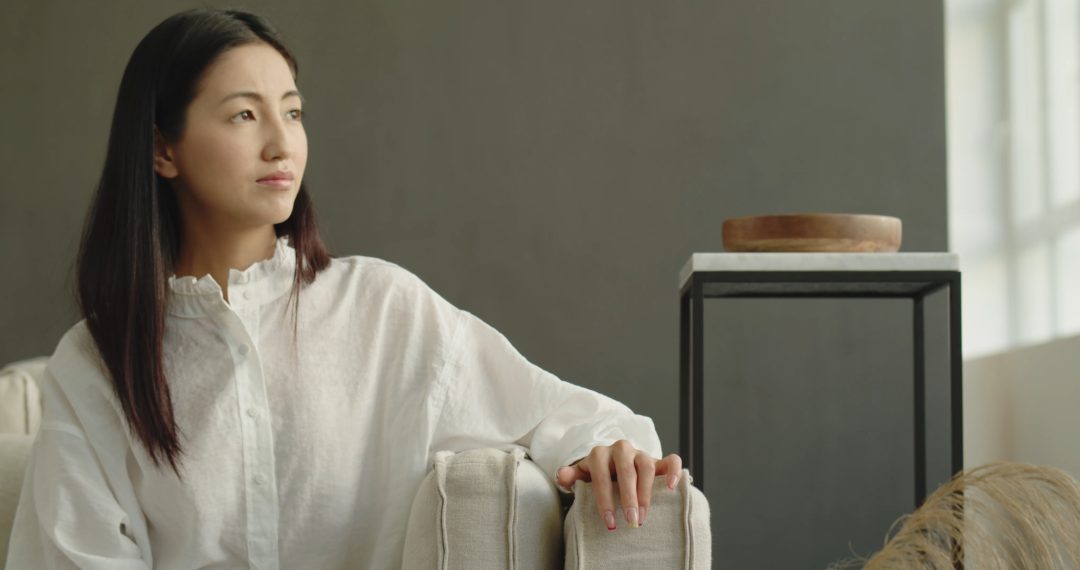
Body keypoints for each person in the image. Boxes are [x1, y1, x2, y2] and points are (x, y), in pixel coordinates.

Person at [5, 8, 682, 569]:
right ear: (162, 149)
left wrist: (610, 446)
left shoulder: (382, 311)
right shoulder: (95, 363)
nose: (282, 144)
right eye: (244, 115)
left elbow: (561, 412)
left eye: (292, 112)